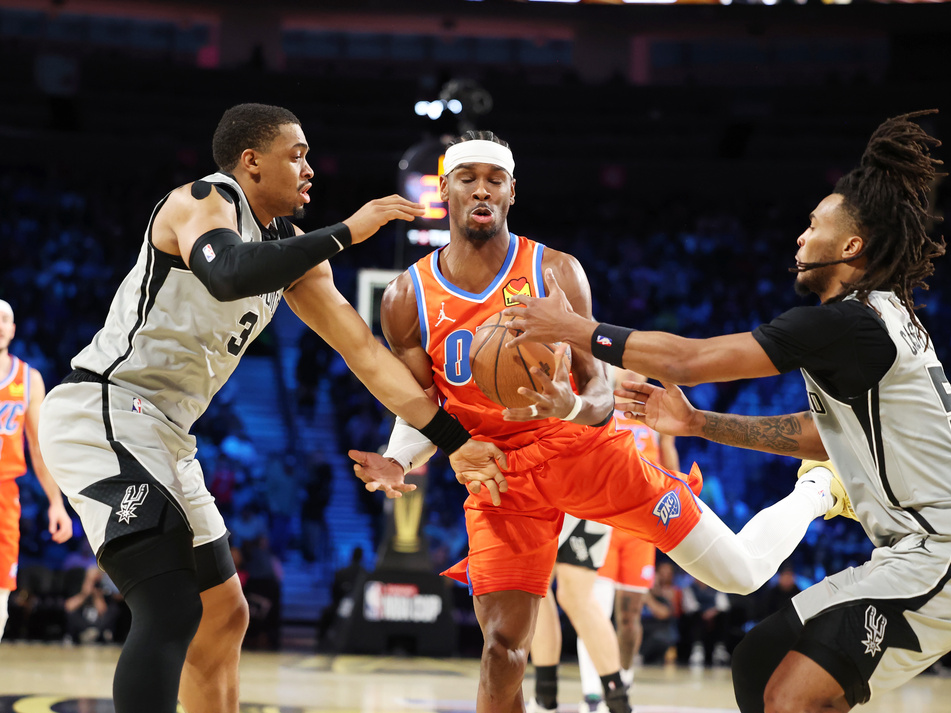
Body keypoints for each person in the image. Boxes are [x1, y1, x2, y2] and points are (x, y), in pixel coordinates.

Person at [504, 111, 951, 712]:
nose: (799, 237)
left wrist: (574, 327)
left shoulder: (844, 323)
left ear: (851, 246)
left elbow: (688, 359)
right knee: (758, 659)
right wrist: (700, 424)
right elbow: (820, 436)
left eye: (813, 225)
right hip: (917, 551)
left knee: (791, 698)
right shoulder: (875, 317)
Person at [348, 131, 853, 713]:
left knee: (737, 574)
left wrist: (565, 405)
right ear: (447, 190)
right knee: (503, 647)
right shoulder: (406, 296)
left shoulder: (556, 271)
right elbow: (419, 405)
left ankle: (815, 488)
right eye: (468, 178)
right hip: (500, 474)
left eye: (495, 179)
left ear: (513, 192)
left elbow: (599, 396)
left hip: (585, 453)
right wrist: (399, 458)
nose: (482, 189)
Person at [36, 103, 506, 713]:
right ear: (251, 162)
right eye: (297, 154)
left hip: (167, 433)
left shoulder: (292, 255)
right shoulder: (205, 198)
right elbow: (227, 273)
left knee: (223, 615)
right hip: (104, 410)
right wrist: (347, 231)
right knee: (171, 605)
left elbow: (363, 353)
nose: (310, 168)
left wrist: (453, 439)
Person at [574, 368, 680, 711]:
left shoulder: (654, 410)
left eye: (639, 366)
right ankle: (593, 690)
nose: (633, 371)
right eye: (625, 365)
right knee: (594, 609)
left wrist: (678, 492)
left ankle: (624, 680)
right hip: (603, 519)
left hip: (642, 525)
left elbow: (669, 452)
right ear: (613, 371)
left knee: (630, 616)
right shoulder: (603, 405)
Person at [0, 298, 73, 641]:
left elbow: (39, 448)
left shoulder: (29, 379)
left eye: (5, 319)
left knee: (1, 596)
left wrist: (56, 503)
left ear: (13, 330)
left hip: (5, 494)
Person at [526, 513, 624, 713]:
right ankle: (545, 698)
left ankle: (619, 704)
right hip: (550, 496)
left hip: (582, 497)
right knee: (534, 587)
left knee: (574, 596)